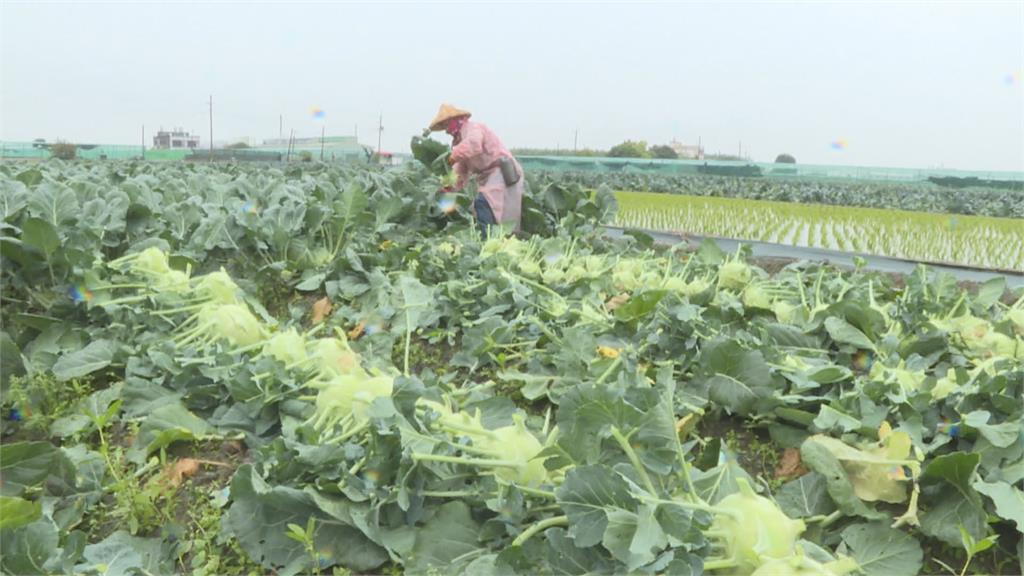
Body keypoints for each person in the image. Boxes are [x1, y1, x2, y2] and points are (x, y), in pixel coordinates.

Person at [429, 104, 524, 234]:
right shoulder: (459, 141)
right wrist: (450, 186)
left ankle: (490, 240)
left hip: (502, 171)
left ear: (456, 120)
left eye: (447, 125)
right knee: (485, 207)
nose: (447, 130)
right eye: (444, 126)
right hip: (489, 176)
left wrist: (454, 155)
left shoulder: (473, 128)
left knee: (487, 204)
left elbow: (474, 145)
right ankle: (491, 240)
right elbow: (461, 168)